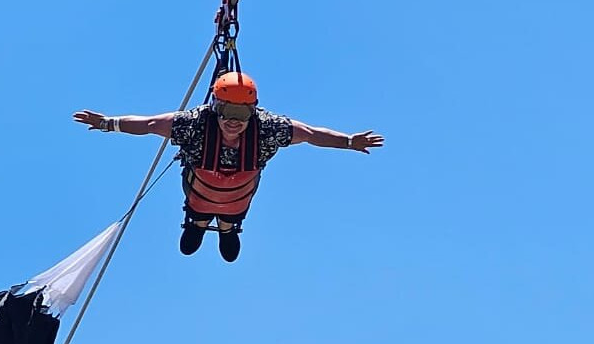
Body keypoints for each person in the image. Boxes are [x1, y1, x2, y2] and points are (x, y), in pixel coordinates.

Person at [73, 72, 384, 262]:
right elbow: (151, 124)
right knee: (199, 213)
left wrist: (348, 142)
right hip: (200, 194)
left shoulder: (267, 128)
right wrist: (107, 123)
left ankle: (227, 228)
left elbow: (311, 134)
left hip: (237, 199)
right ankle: (197, 223)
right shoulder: (195, 124)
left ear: (252, 110)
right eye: (227, 111)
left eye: (242, 112)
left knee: (230, 212)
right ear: (216, 108)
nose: (234, 120)